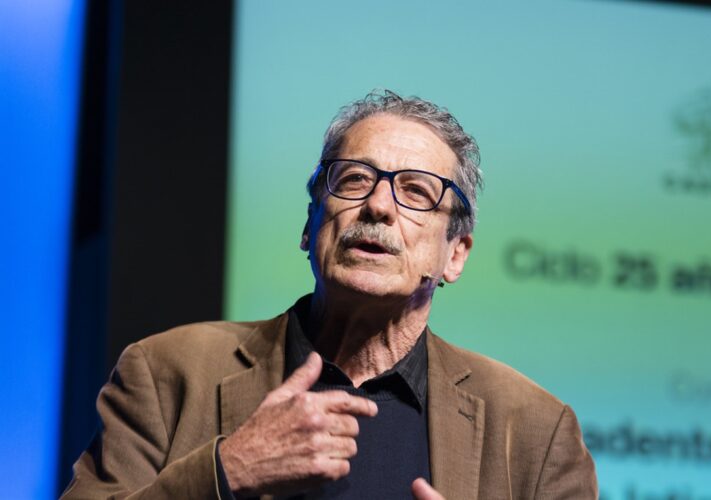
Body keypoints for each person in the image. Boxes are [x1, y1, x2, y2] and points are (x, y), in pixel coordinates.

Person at [62, 90, 597, 499]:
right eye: (354, 179)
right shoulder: (168, 373)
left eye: (415, 191)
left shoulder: (533, 430)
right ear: (309, 225)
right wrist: (227, 472)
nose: (379, 207)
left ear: (454, 254)